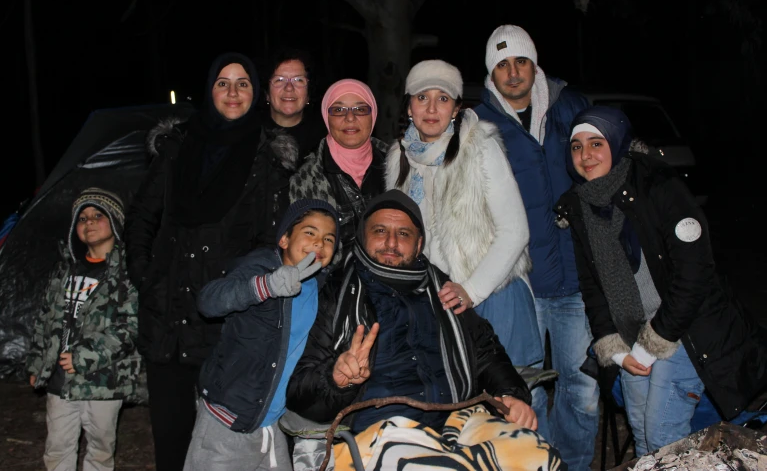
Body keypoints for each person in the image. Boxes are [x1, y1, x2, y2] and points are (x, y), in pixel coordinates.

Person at [555, 106, 767, 456]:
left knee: (661, 432)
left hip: (685, 329)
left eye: (596, 143)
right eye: (576, 147)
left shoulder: (659, 185)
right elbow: (592, 288)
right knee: (640, 431)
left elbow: (695, 273)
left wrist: (654, 340)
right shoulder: (579, 206)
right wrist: (615, 347)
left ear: (617, 142)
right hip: (630, 332)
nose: (586, 155)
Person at [125, 52, 299, 470]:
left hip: (225, 319)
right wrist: (146, 276)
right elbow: (141, 218)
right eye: (223, 82)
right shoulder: (176, 146)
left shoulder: (267, 158)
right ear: (210, 90)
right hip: (168, 313)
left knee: (218, 445)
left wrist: (238, 293)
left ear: (255, 93)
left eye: (243, 83)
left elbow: (267, 243)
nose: (233, 92)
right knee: (170, 436)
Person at [286, 190, 537, 437]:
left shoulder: (443, 289)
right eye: (380, 231)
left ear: (418, 245)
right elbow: (299, 392)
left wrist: (510, 394)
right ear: (362, 236)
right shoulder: (336, 294)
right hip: (383, 435)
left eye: (403, 234)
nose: (391, 243)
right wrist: (335, 380)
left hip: (461, 424)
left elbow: (485, 352)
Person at [473, 24, 598, 470]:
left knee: (581, 387)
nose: (512, 72)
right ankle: (538, 464)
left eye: (520, 61)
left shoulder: (570, 108)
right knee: (525, 388)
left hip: (574, 277)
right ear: (491, 71)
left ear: (534, 64)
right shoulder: (477, 123)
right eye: (502, 64)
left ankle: (575, 466)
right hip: (517, 284)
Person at [384, 59, 540, 379]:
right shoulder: (399, 158)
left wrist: (472, 289)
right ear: (409, 106)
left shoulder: (479, 146)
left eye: (442, 98)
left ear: (456, 108)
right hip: (439, 303)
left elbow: (515, 230)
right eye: (422, 97)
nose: (431, 108)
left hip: (495, 293)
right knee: (464, 405)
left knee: (519, 404)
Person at [183, 199, 339, 470]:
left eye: (328, 238)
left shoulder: (321, 286)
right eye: (310, 232)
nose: (319, 243)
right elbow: (208, 301)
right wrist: (265, 286)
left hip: (271, 423)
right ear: (284, 240)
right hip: (228, 420)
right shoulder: (259, 268)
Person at [25, 188, 141, 471]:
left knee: (100, 450)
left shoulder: (128, 272)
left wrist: (84, 356)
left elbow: (130, 325)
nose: (88, 222)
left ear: (114, 221)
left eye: (97, 216)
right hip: (59, 379)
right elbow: (46, 318)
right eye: (82, 218)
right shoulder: (66, 268)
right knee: (57, 447)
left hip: (103, 379)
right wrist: (38, 362)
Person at [290, 79, 387, 265]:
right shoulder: (306, 178)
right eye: (339, 110)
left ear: (373, 115)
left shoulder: (399, 166)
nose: (350, 118)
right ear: (327, 118)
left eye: (360, 109)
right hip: (333, 288)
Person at [262, 47, 327, 161]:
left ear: (308, 94)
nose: (289, 88)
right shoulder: (249, 137)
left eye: (298, 80)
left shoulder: (327, 139)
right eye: (279, 80)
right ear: (267, 93)